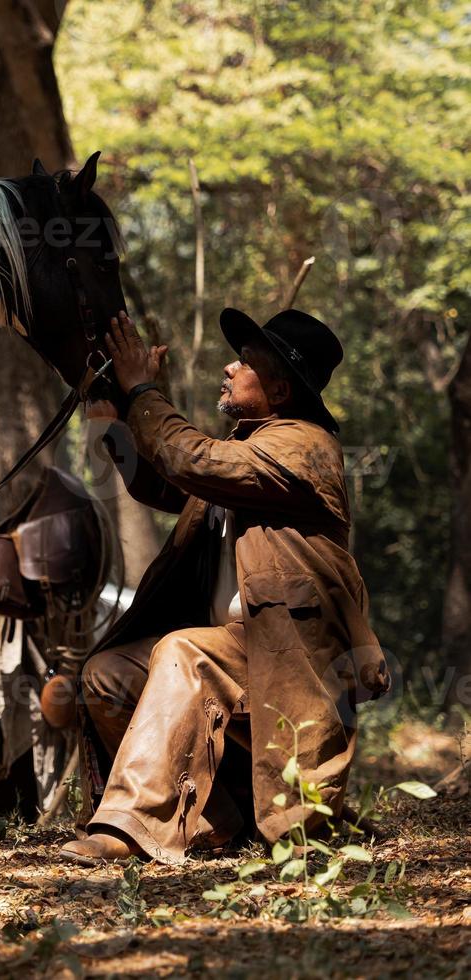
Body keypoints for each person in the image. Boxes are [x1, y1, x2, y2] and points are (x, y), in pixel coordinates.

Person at [59, 308, 390, 864]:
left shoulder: (303, 446)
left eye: (247, 361)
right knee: (106, 675)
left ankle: (129, 826)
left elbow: (191, 459)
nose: (230, 367)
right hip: (242, 648)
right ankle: (213, 819)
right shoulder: (251, 449)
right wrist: (112, 417)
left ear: (280, 388)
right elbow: (166, 483)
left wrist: (143, 388)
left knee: (185, 651)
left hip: (286, 652)